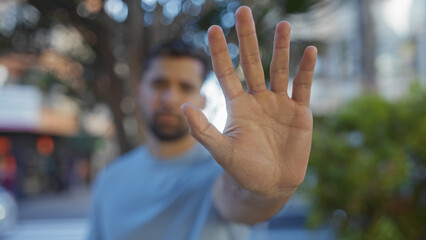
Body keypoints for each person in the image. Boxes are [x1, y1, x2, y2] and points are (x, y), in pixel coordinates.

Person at [88, 6, 317, 240]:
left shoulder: (224, 170)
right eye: (159, 84)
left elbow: (242, 200)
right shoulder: (110, 180)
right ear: (140, 91)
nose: (170, 99)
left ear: (203, 100)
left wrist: (270, 193)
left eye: (185, 87)